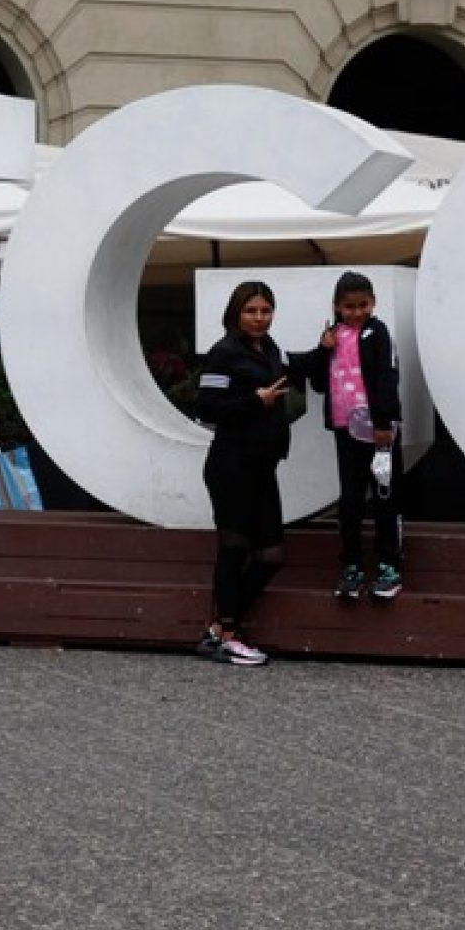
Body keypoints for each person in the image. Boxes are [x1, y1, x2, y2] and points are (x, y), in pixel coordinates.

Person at [193, 280, 304, 666]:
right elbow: (206, 407)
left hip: (262, 465)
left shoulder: (270, 349)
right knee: (234, 548)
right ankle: (229, 633)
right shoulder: (223, 353)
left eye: (265, 311)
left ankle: (219, 631)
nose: (259, 318)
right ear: (235, 313)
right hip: (231, 465)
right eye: (251, 311)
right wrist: (254, 400)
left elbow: (296, 372)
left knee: (271, 555)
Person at [306, 271, 404, 600]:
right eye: (349, 306)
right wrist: (322, 350)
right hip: (344, 429)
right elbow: (318, 383)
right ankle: (352, 565)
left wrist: (384, 422)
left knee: (384, 496)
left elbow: (387, 378)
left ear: (374, 302)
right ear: (337, 306)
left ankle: (389, 565)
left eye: (363, 304)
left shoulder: (378, 332)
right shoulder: (332, 334)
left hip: (377, 431)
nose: (357, 311)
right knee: (350, 499)